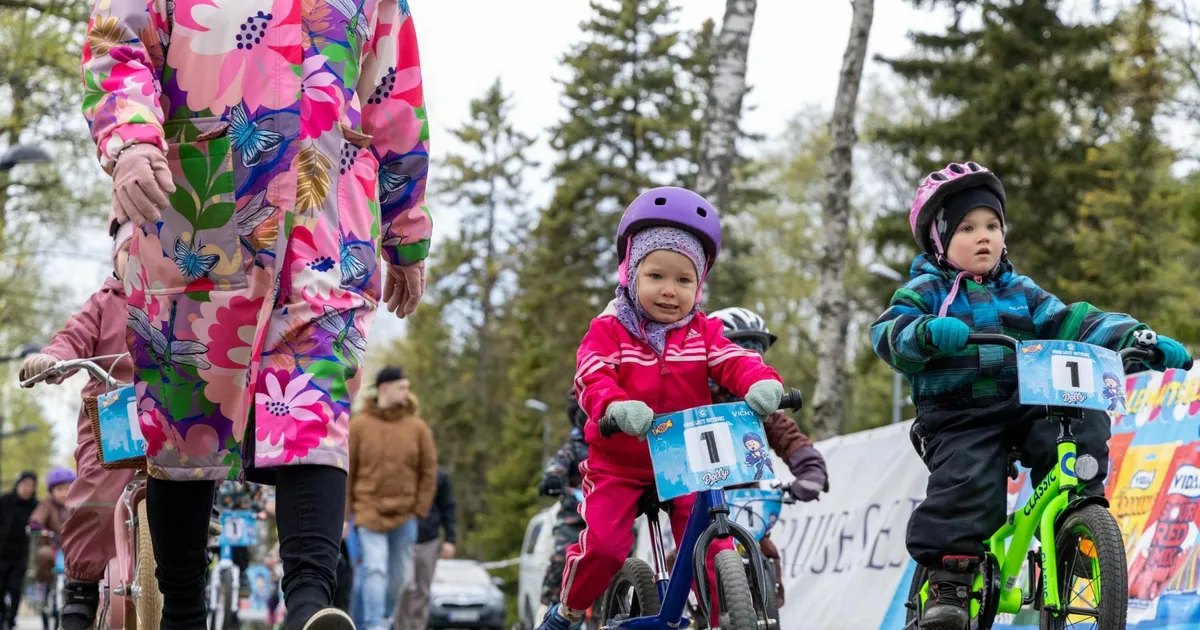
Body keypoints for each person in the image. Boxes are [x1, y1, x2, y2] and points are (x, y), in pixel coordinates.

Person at [80, 1, 431, 629]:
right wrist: (130, 141)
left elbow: (394, 92)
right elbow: (118, 42)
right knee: (186, 424)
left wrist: (406, 229)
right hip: (196, 206)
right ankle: (183, 612)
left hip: (326, 219)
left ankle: (307, 610)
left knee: (312, 409)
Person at [870, 161, 1194, 630]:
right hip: (959, 415)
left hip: (1027, 404)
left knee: (1082, 416)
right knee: (967, 477)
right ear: (939, 241)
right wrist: (922, 333)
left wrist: (1135, 337)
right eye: (967, 227)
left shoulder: (1020, 291)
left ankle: (1076, 526)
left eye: (993, 225)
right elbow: (887, 333)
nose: (984, 236)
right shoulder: (926, 290)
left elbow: (1075, 321)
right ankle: (949, 580)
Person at [538, 187, 785, 630]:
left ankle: (723, 617)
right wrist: (614, 406)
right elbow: (591, 376)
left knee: (712, 543)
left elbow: (734, 360)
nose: (670, 291)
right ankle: (568, 610)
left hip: (687, 459)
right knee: (606, 547)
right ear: (631, 274)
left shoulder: (704, 332)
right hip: (620, 460)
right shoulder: (609, 329)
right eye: (656, 276)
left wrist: (762, 380)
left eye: (684, 280)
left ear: (699, 285)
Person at [18, 225, 137, 630]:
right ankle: (82, 590)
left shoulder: (178, 301)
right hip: (114, 413)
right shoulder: (104, 303)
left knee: (195, 476)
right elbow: (74, 335)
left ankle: (187, 569)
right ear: (116, 259)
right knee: (94, 495)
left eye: (150, 249)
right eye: (130, 250)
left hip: (170, 415)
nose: (139, 258)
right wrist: (52, 357)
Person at [707, 306, 828, 607]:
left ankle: (765, 615)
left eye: (756, 350)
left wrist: (810, 469)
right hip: (700, 503)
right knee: (686, 560)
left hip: (746, 510)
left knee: (765, 554)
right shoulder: (695, 402)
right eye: (741, 349)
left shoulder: (757, 409)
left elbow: (788, 436)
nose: (751, 357)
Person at [346, 367, 437, 630]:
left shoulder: (417, 428)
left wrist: (419, 509)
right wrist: (345, 517)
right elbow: (348, 473)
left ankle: (383, 618)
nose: (407, 393)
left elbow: (428, 471)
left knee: (399, 577)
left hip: (405, 515)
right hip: (367, 511)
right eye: (402, 387)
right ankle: (375, 624)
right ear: (384, 388)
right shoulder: (359, 426)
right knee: (374, 569)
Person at [535, 389, 589, 613]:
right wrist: (553, 479)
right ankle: (548, 610)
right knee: (560, 561)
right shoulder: (574, 447)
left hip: (612, 515)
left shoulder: (615, 442)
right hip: (574, 519)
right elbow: (557, 466)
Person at [396, 467, 456, 630]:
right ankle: (401, 627)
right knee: (404, 587)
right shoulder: (401, 473)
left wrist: (450, 539)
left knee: (423, 590)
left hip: (428, 541)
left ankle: (418, 627)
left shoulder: (440, 477)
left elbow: (448, 508)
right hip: (402, 540)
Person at [29, 468, 76, 619]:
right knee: (44, 555)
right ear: (52, 491)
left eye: (68, 488)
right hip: (51, 544)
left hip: (71, 546)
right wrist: (39, 528)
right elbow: (36, 519)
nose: (64, 493)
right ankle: (41, 585)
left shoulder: (77, 502)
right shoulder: (47, 504)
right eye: (59, 489)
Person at [0, 471, 37, 630]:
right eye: (25, 484)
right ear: (18, 484)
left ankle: (11, 619)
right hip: (1, 553)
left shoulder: (35, 506)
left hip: (20, 555)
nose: (27, 489)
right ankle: (3, 615)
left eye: (31, 486)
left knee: (15, 589)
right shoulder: (4, 501)